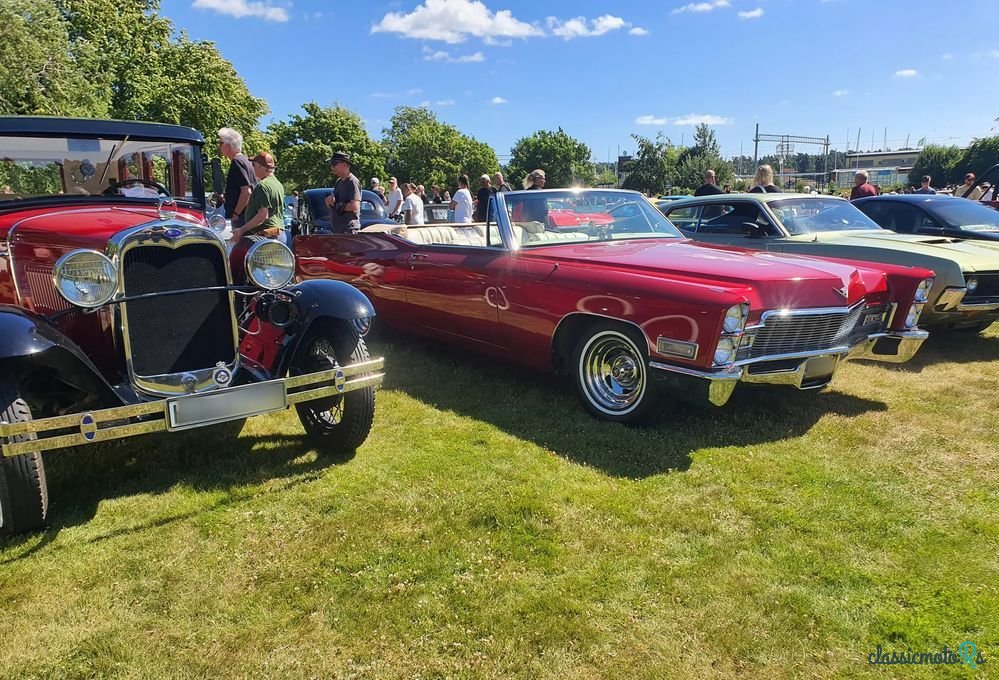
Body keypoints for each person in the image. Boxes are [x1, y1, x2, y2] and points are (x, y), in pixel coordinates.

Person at [231, 152, 284, 241]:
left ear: (260, 167)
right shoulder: (278, 184)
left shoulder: (262, 186)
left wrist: (241, 230)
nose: (252, 168)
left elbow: (262, 216)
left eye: (254, 165)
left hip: (266, 236)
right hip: (278, 234)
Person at [218, 127, 256, 228]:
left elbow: (246, 192)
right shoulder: (246, 161)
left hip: (241, 218)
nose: (219, 146)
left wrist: (236, 214)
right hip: (247, 216)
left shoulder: (237, 162)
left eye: (221, 143)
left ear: (229, 145)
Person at [325, 152, 362, 233]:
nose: (332, 167)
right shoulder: (339, 182)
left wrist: (335, 205)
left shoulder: (352, 181)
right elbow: (335, 202)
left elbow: (355, 206)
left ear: (345, 165)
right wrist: (329, 201)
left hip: (349, 230)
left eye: (334, 163)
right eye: (331, 164)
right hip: (338, 229)